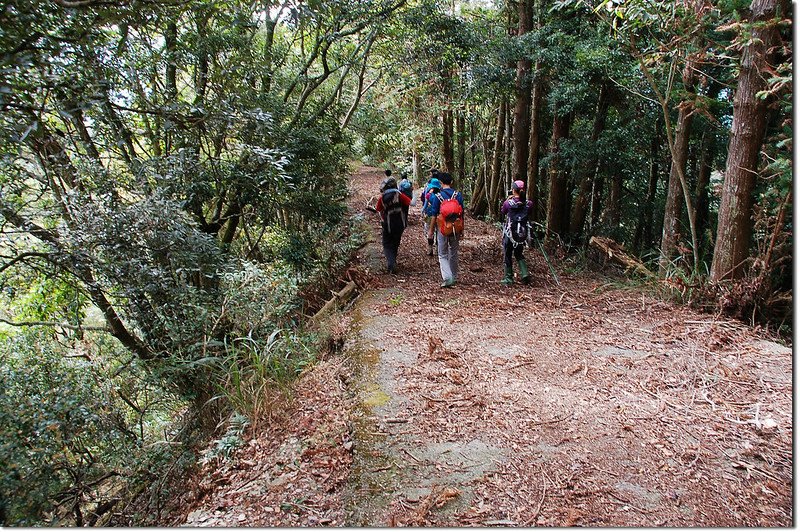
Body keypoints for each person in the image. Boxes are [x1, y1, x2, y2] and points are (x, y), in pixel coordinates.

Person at [426, 172, 463, 288]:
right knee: (454, 252)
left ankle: (447, 278)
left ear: (441, 183)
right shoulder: (458, 195)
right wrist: (463, 229)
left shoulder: (438, 197)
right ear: (451, 182)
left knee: (442, 253)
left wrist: (431, 231)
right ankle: (454, 276)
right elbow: (462, 214)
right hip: (456, 227)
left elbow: (433, 215)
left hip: (442, 228)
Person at [376, 175, 411, 274]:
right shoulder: (399, 195)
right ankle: (393, 262)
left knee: (387, 244)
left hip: (388, 224)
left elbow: (378, 209)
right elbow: (409, 202)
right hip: (400, 223)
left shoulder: (382, 198)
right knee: (396, 242)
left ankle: (391, 263)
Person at [500, 180, 533, 285]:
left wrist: (508, 199)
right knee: (519, 253)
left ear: (513, 190)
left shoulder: (508, 203)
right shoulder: (529, 204)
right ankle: (524, 274)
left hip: (510, 233)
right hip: (521, 234)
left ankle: (508, 278)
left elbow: (503, 211)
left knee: (508, 253)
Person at [421, 176, 441, 256]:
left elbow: (425, 205)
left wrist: (422, 212)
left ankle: (430, 249)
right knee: (438, 231)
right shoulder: (441, 195)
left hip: (430, 215)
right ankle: (437, 249)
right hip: (439, 216)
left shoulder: (429, 195)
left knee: (430, 231)